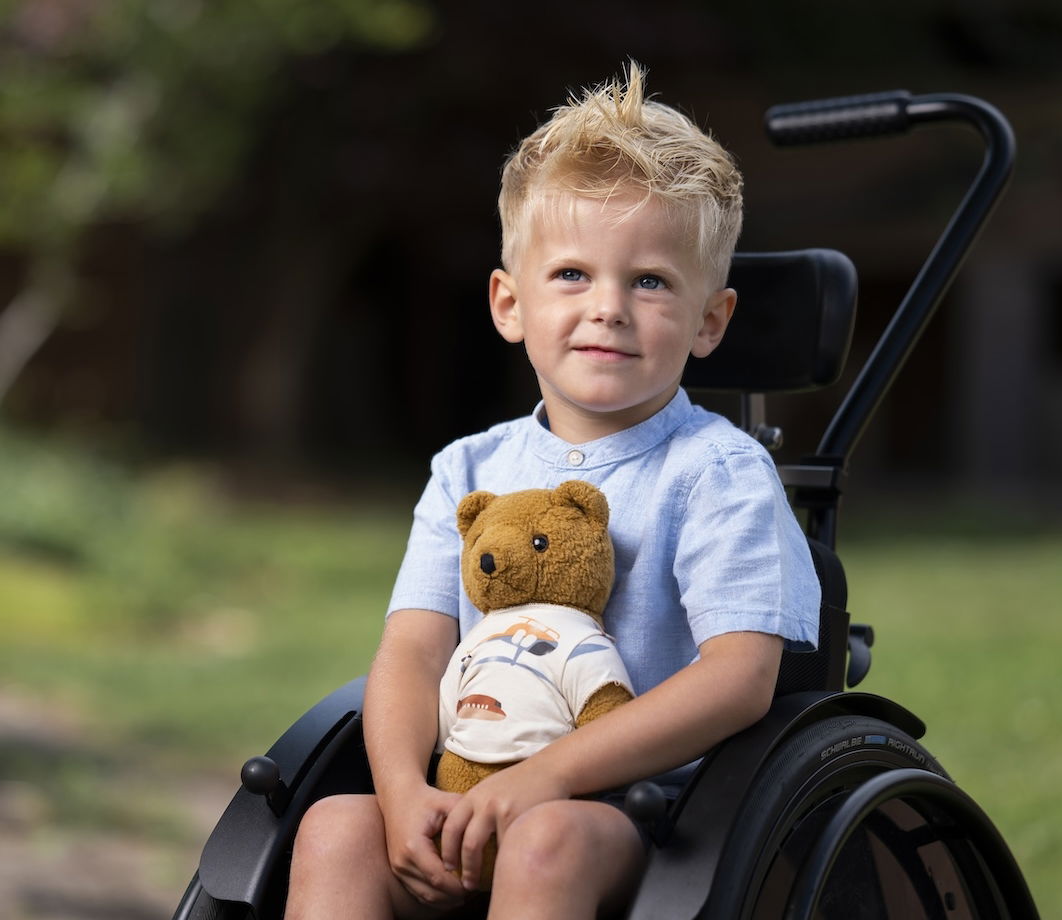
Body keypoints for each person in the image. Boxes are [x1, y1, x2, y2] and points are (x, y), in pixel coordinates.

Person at [285, 62, 820, 920]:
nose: (607, 307)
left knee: (547, 838)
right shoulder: (467, 470)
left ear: (709, 321)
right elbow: (414, 654)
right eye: (572, 274)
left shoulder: (715, 472)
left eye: (649, 282)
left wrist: (550, 778)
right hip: (466, 792)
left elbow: (738, 680)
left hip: (647, 817)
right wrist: (398, 795)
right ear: (509, 303)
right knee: (333, 829)